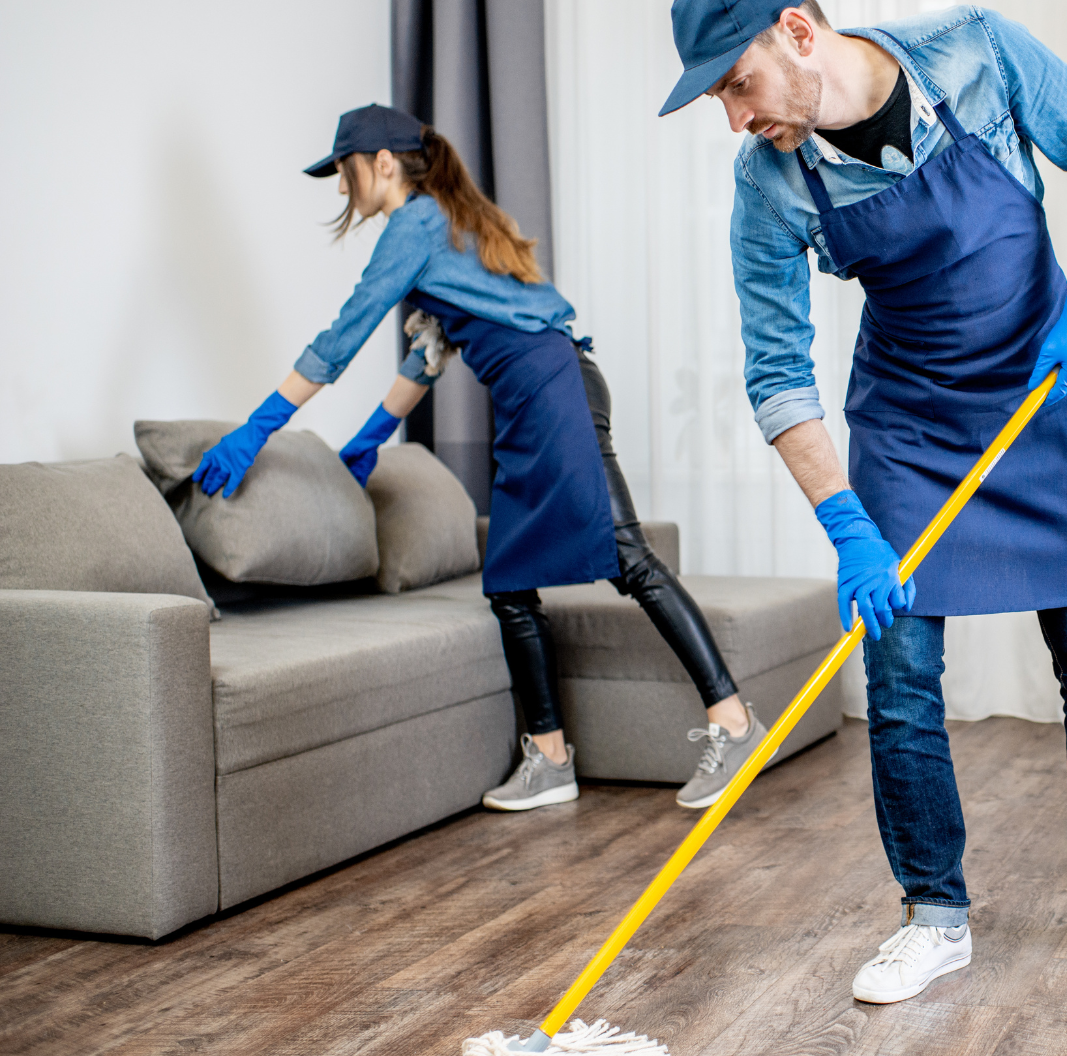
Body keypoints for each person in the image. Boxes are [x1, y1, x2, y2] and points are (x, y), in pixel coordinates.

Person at [660, 0, 1067, 1003]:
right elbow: (777, 371)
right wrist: (848, 523)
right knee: (902, 673)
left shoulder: (976, 54)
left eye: (738, 85)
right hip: (909, 426)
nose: (736, 117)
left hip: (1039, 395)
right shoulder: (769, 181)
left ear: (800, 33)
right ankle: (934, 915)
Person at [191, 104, 761, 813]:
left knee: (627, 556)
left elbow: (343, 335)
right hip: (535, 399)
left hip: (552, 391)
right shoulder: (446, 227)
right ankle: (550, 758)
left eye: (343, 171)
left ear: (382, 164)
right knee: (509, 582)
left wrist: (257, 428)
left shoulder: (417, 223)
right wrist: (368, 440)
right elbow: (428, 355)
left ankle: (734, 723)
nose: (341, 189)